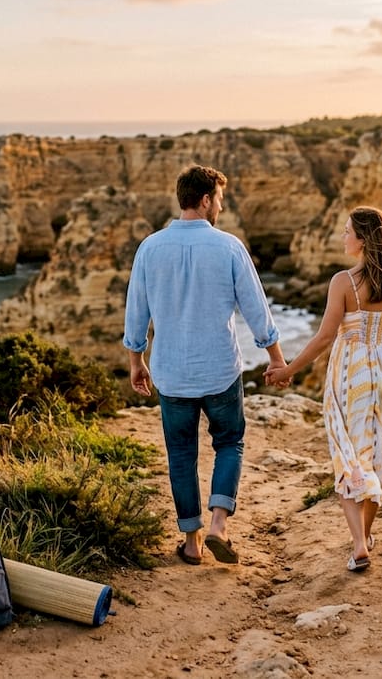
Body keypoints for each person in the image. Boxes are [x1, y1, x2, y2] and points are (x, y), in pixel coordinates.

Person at [123, 164, 287, 566]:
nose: (221, 208)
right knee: (229, 442)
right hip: (219, 371)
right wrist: (276, 357)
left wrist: (136, 361)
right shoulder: (229, 247)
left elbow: (135, 313)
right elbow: (256, 309)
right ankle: (218, 524)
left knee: (181, 454)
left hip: (172, 374)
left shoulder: (150, 247)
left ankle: (193, 543)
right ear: (205, 200)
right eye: (219, 200)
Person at [265, 206, 382, 572]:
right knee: (377, 458)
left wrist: (288, 369)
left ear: (362, 239)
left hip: (350, 377)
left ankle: (359, 544)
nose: (342, 237)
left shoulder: (344, 282)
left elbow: (325, 337)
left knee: (347, 456)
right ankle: (366, 536)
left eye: (347, 232)